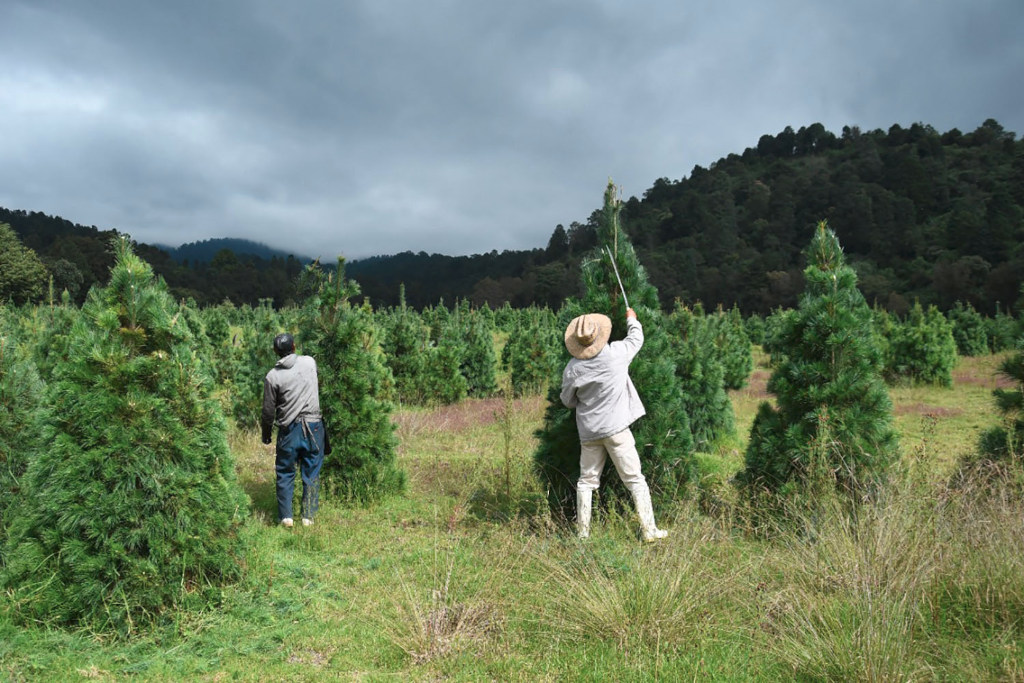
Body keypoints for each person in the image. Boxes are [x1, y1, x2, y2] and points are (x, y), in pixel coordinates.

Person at [560, 308, 667, 541]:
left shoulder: (572, 368)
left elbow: (567, 401)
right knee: (635, 480)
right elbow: (636, 339)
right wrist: (632, 320)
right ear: (599, 335)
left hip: (589, 432)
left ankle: (583, 535)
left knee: (586, 482)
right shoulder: (616, 353)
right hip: (617, 429)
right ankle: (649, 530)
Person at [262, 333, 327, 528]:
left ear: (275, 352)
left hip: (289, 430)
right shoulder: (309, 362)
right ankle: (308, 516)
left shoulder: (272, 376)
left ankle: (286, 517)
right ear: (294, 346)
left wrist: (266, 434)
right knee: (311, 471)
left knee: (285, 472)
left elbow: (268, 411)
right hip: (314, 427)